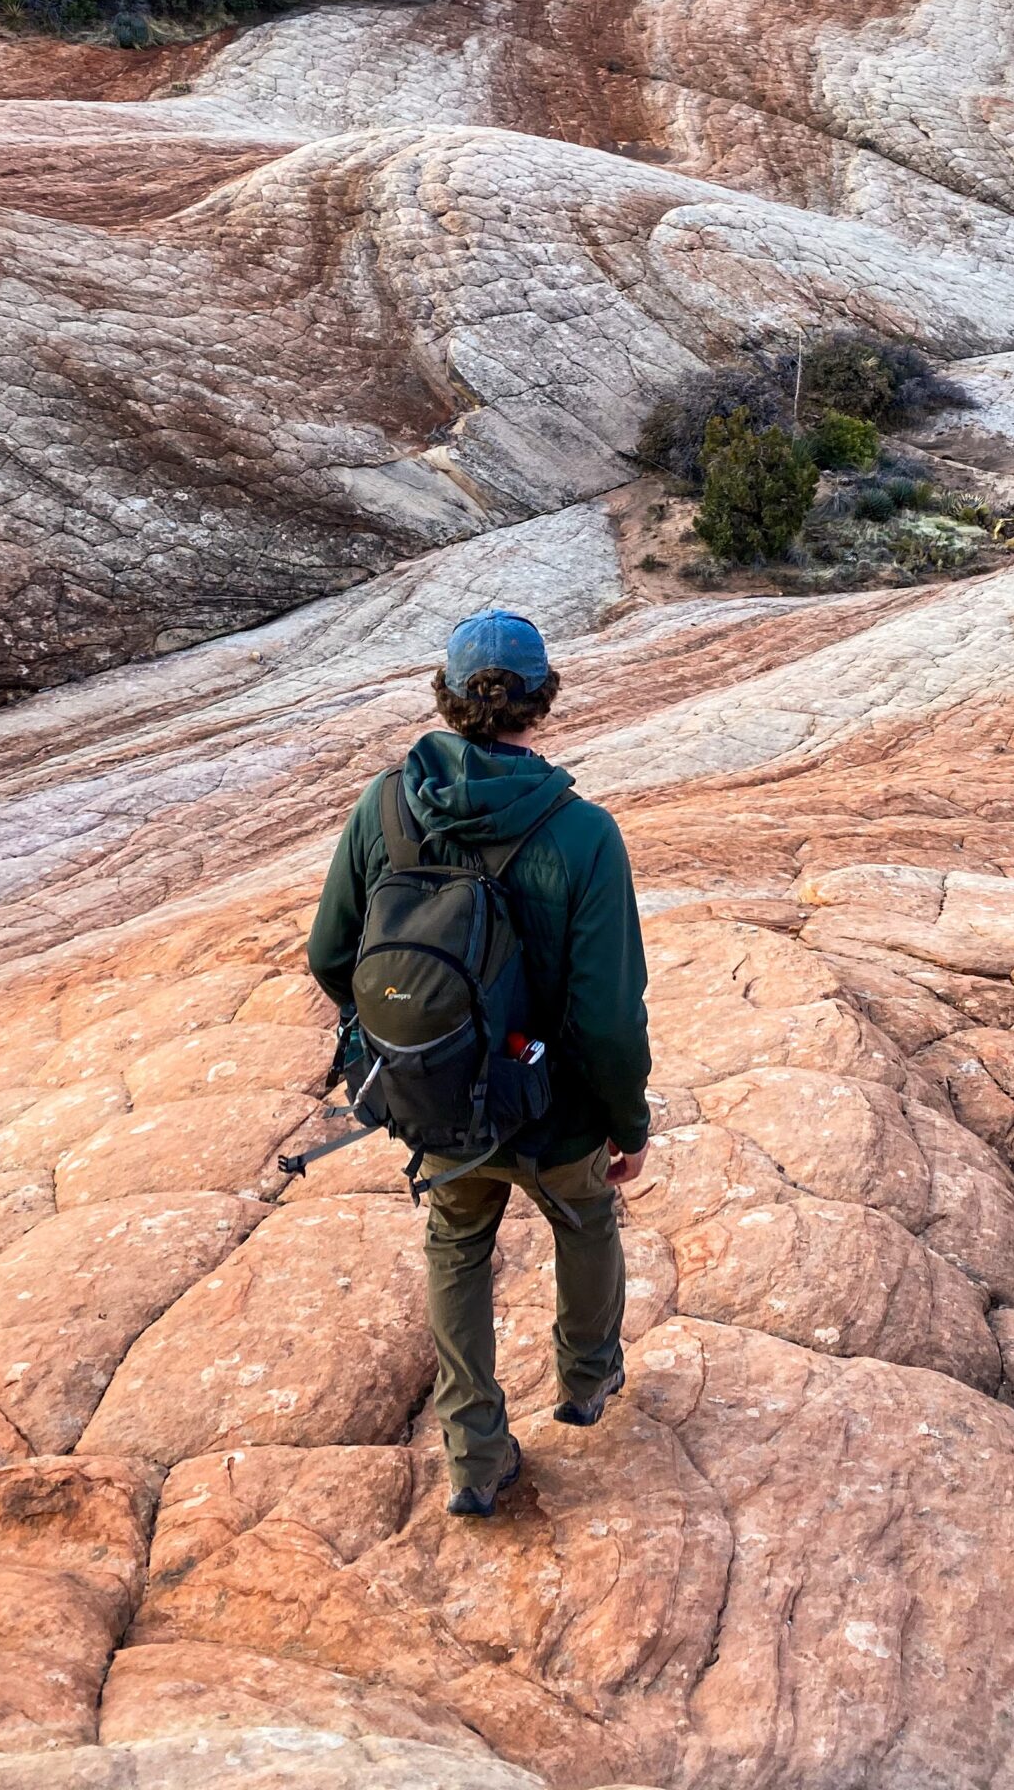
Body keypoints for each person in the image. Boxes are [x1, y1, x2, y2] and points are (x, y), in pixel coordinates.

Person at [307, 608, 652, 1517]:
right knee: (583, 1220)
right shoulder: (582, 834)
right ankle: (585, 1382)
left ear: (450, 700)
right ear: (541, 700)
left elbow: (329, 955)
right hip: (556, 1107)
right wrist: (630, 1123)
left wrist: (418, 1037)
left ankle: (473, 1456)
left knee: (457, 1245)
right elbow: (607, 1016)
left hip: (442, 1100)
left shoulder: (384, 808)